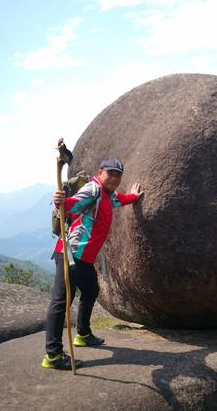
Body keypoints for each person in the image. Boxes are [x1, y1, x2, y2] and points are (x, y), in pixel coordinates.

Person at [42, 158, 144, 369]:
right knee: (62, 302)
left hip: (85, 258)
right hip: (71, 254)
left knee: (90, 291)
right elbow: (71, 204)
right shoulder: (93, 190)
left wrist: (134, 197)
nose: (114, 178)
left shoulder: (108, 195)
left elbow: (120, 200)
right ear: (100, 172)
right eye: (111, 173)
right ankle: (52, 355)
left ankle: (83, 334)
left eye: (118, 175)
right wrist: (60, 200)